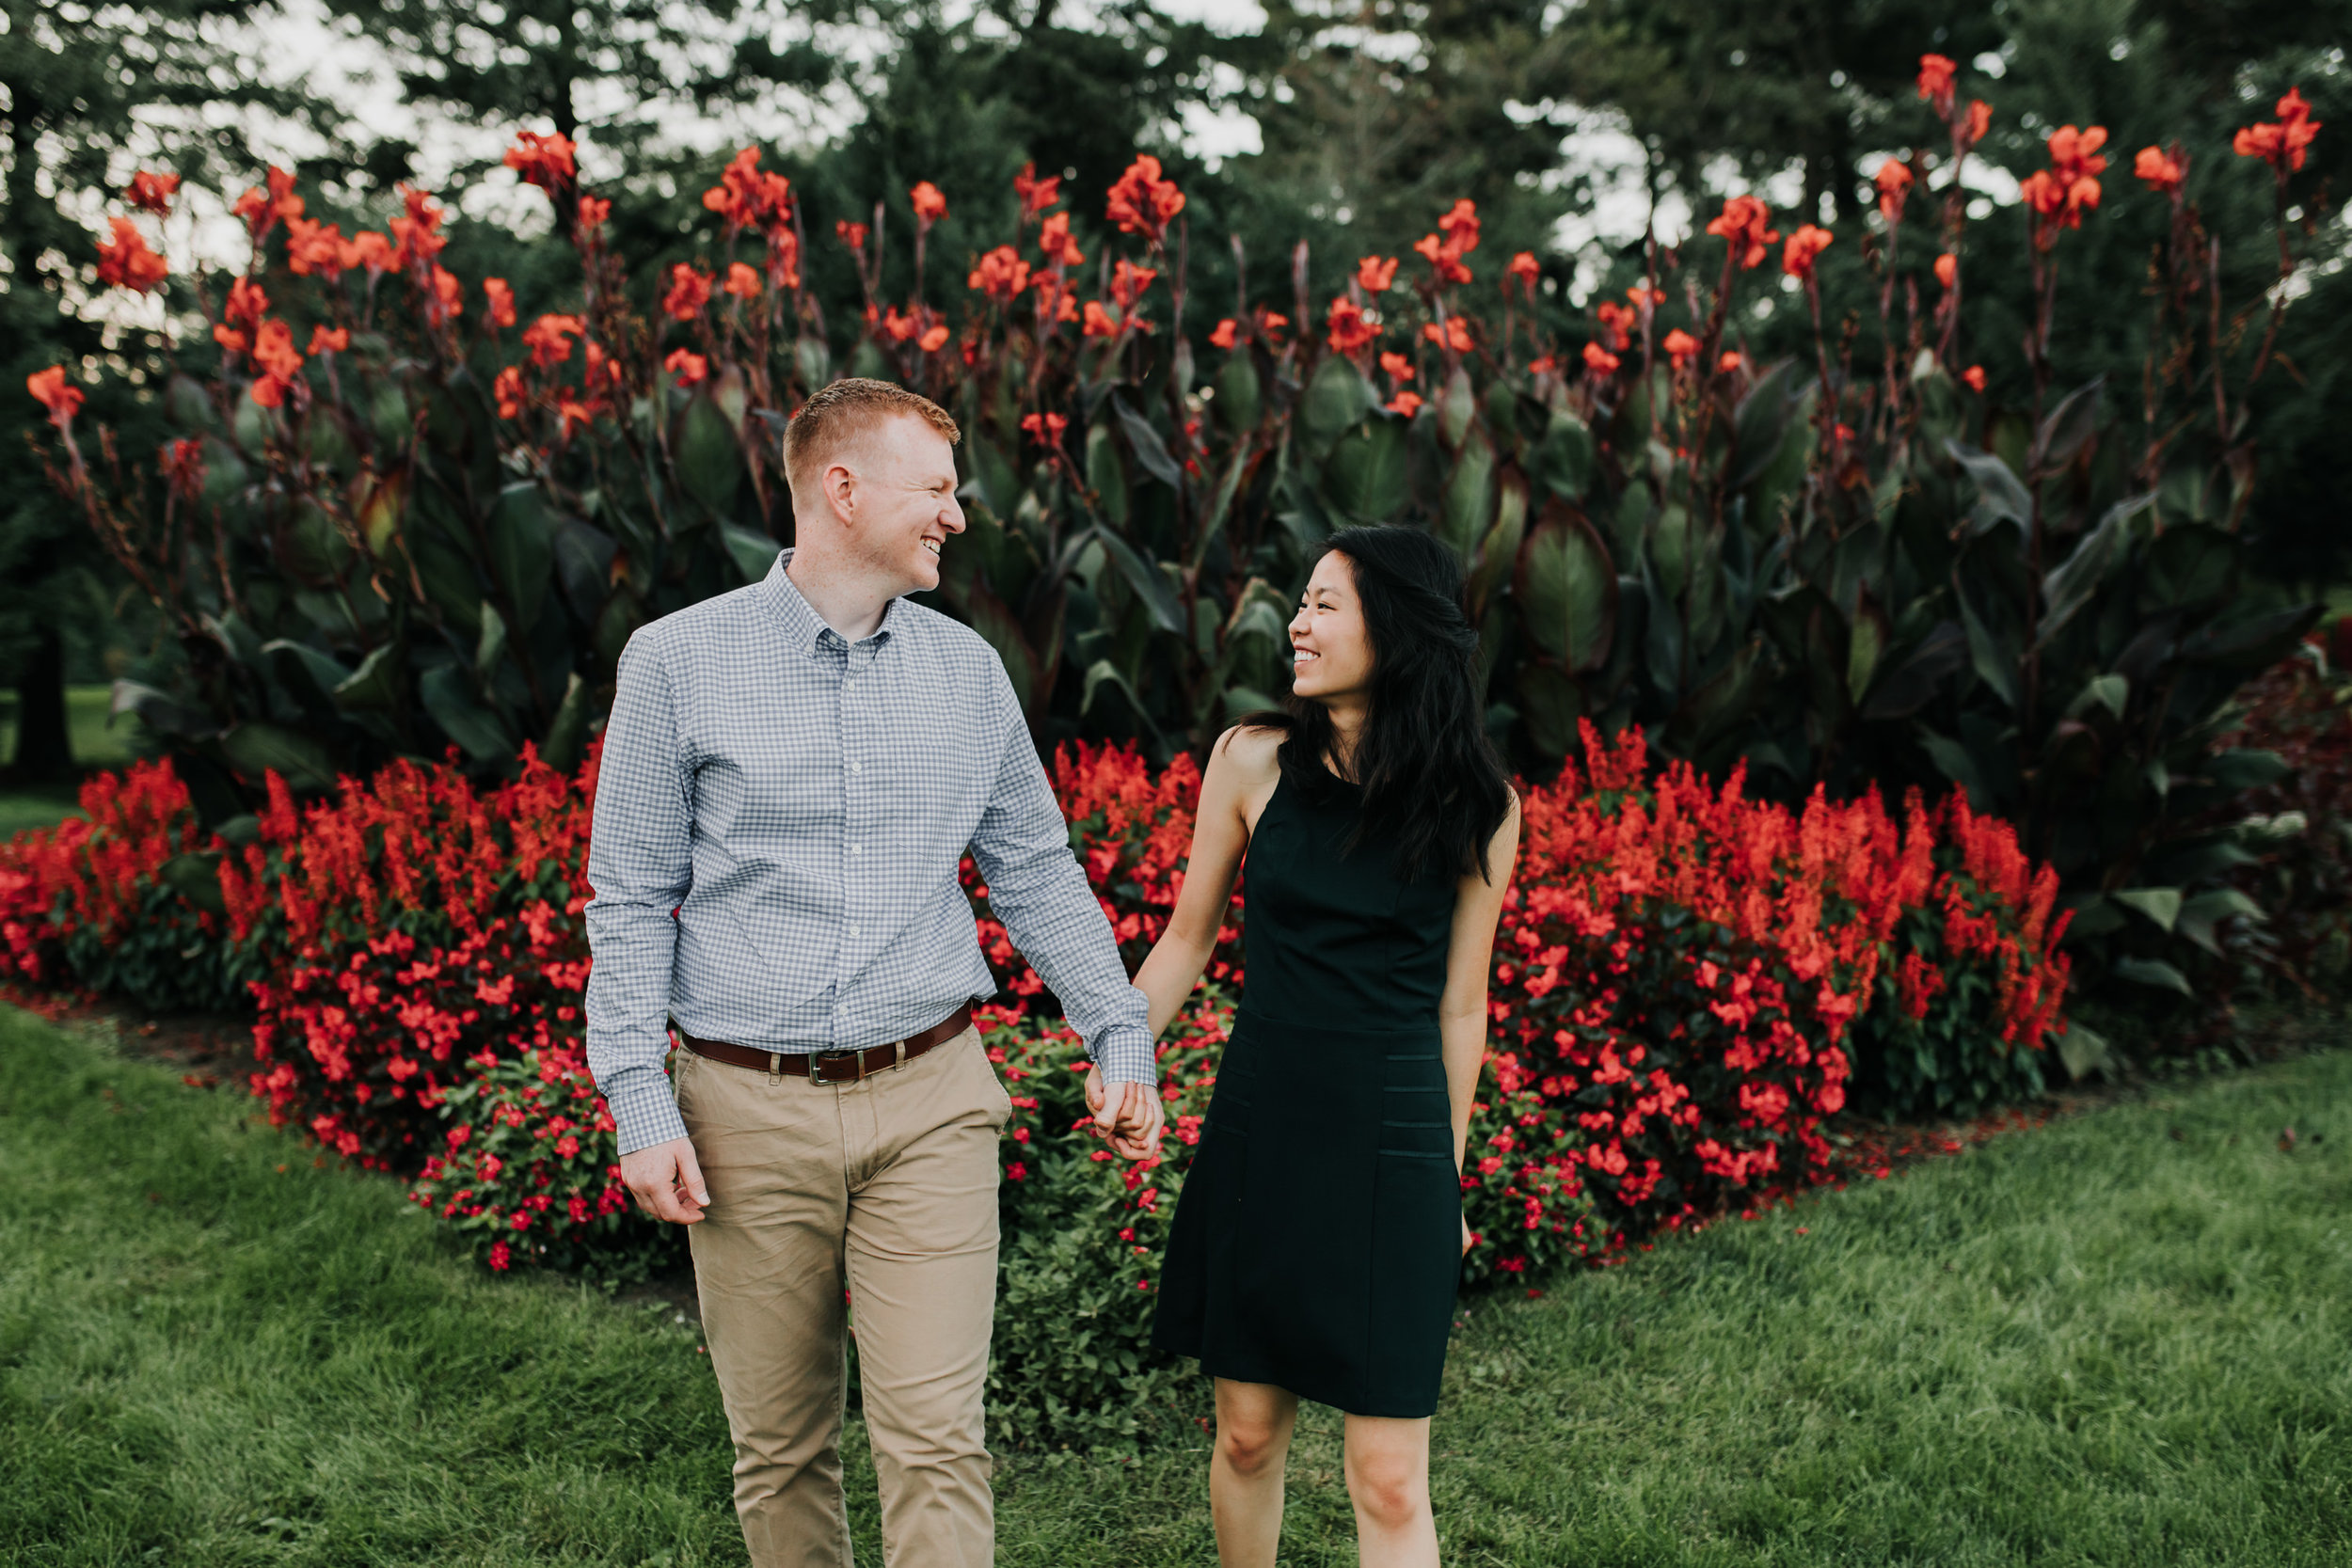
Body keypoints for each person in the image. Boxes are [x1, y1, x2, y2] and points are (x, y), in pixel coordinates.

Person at [582, 377, 1164, 1568]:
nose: (958, 514)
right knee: (781, 1444)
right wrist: (640, 1103)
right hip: (742, 1108)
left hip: (931, 1098)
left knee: (937, 1438)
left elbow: (1035, 868)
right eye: (938, 488)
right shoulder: (677, 661)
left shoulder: (966, 673)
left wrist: (1118, 1028)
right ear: (841, 490)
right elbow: (631, 896)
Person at [1137, 525, 1520, 1568]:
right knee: (1248, 1435)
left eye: (1323, 604)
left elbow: (1460, 1009)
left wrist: (1442, 1182)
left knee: (1389, 1476)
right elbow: (1186, 938)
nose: (1296, 625)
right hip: (1265, 1120)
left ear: (1394, 630)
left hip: (1392, 1142)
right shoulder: (1250, 759)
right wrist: (1123, 1052)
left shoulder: (1481, 808)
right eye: (1300, 603)